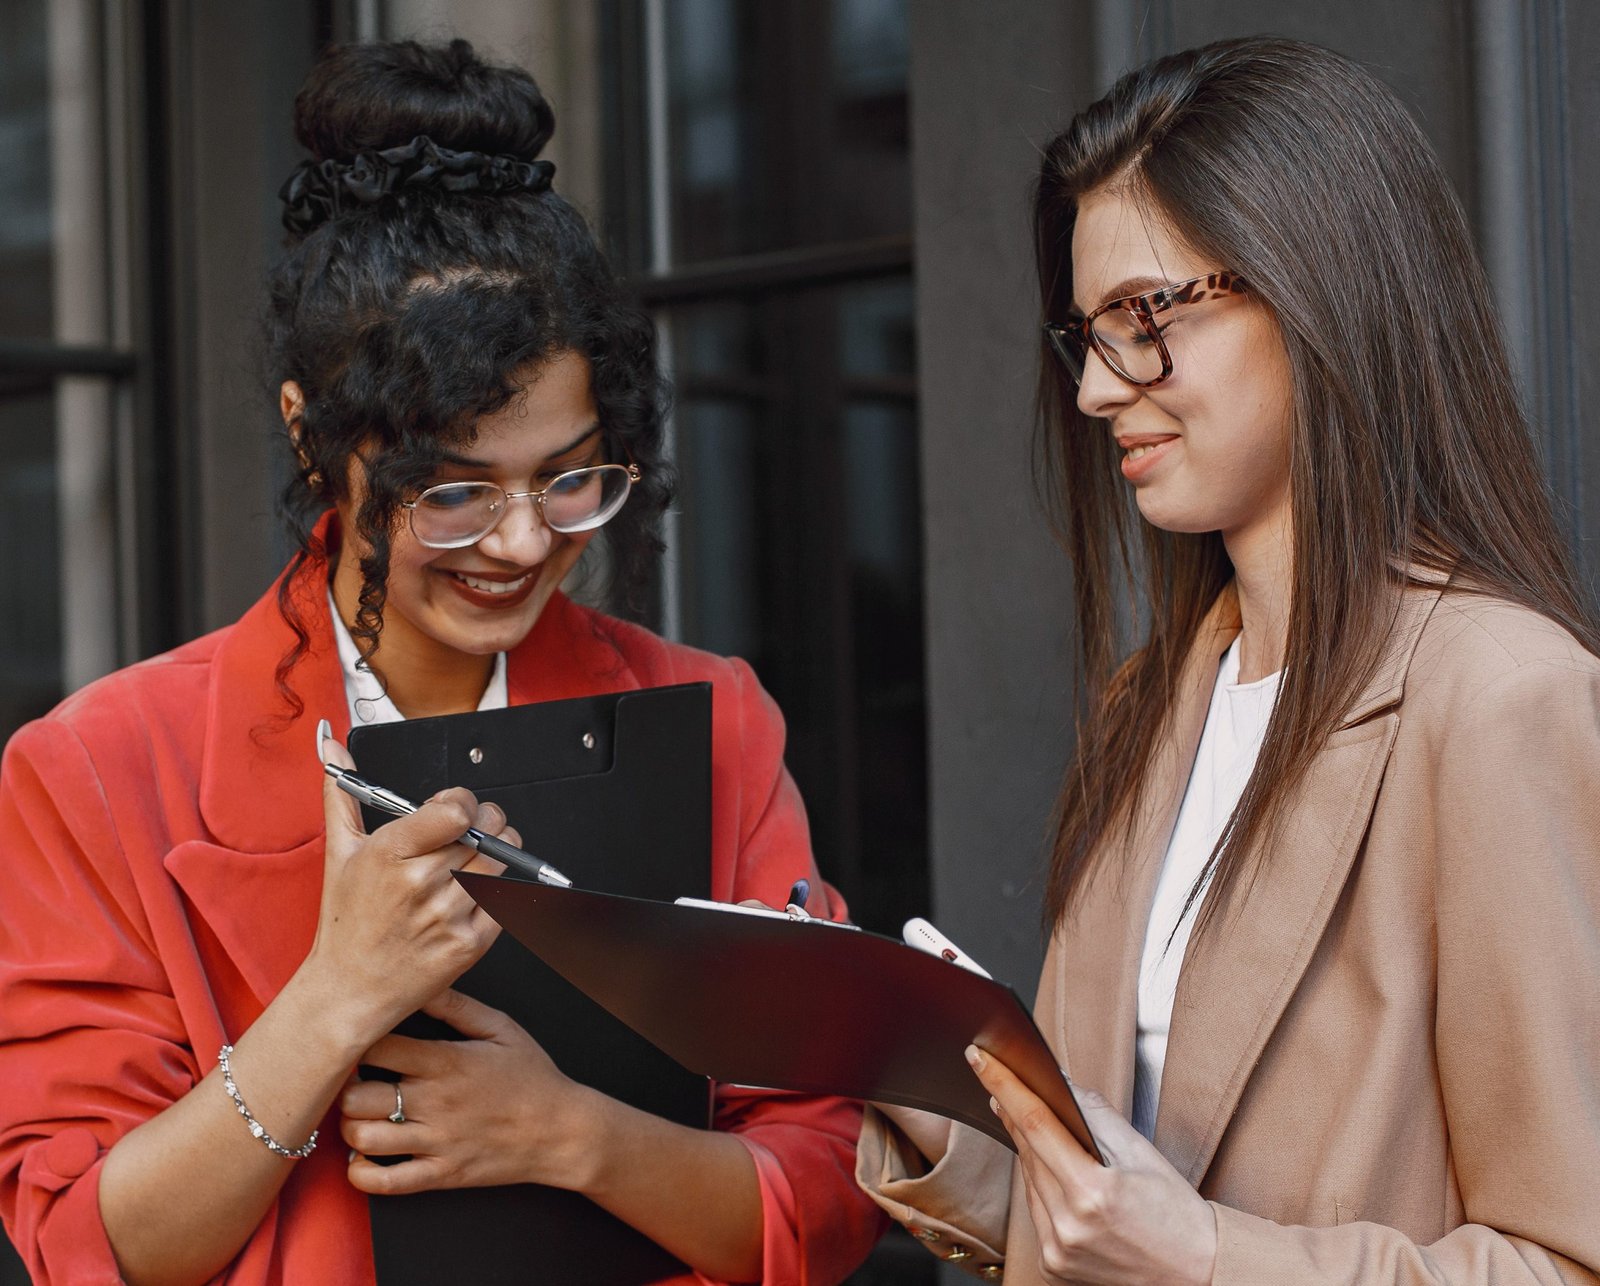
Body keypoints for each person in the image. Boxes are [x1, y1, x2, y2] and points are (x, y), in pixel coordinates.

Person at [0, 38, 884, 1286]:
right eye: (453, 493)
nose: (524, 542)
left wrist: (574, 1136)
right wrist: (331, 1000)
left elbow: (836, 1189)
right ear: (317, 440)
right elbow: (86, 1246)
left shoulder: (715, 719)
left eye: (570, 477)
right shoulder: (92, 771)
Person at [856, 35, 1600, 1284]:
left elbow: (1568, 1259)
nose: (1097, 388)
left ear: (1319, 288)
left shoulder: (1503, 700)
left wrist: (1202, 1253)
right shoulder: (1151, 703)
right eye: (1086, 332)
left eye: (1145, 317)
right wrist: (916, 1078)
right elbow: (1109, 1214)